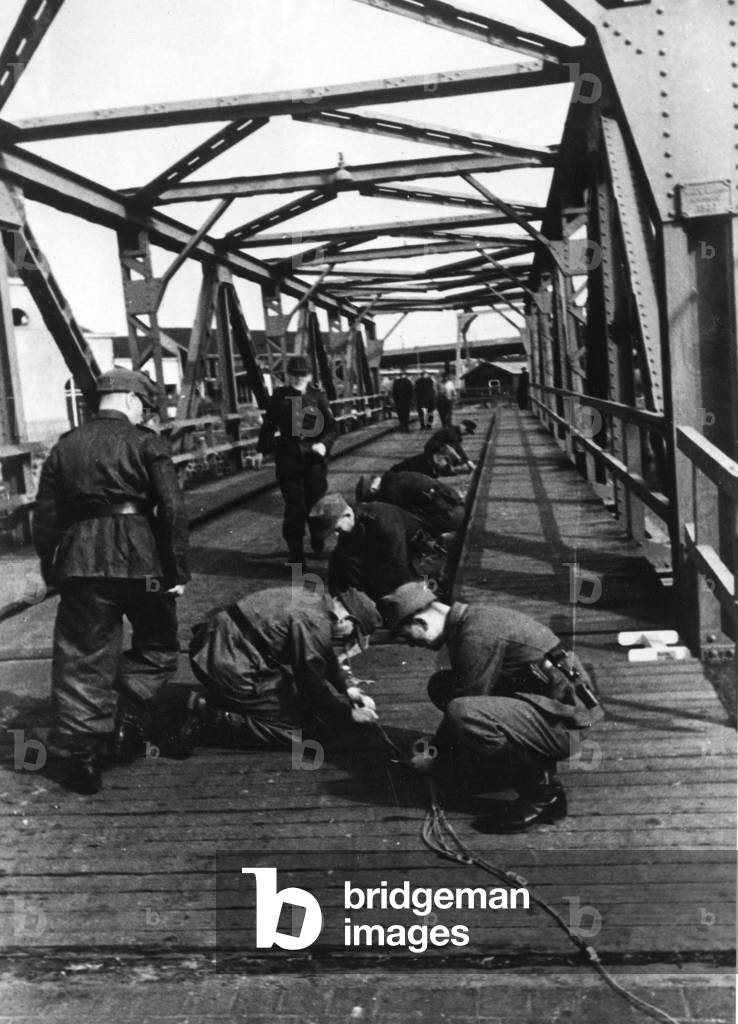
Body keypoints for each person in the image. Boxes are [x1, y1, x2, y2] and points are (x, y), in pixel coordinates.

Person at [32, 367, 191, 794]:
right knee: (159, 644)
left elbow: (45, 519)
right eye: (144, 404)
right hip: (144, 564)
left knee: (83, 657)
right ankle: (124, 710)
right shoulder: (145, 442)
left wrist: (54, 569)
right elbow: (173, 510)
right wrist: (176, 571)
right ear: (131, 400)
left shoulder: (65, 448)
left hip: (82, 564)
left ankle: (83, 757)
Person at [379, 582, 604, 833]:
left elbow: (464, 707)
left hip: (566, 727)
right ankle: (503, 766)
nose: (410, 644)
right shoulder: (471, 619)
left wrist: (434, 757)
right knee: (442, 685)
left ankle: (544, 795)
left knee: (463, 712)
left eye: (407, 635)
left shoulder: (475, 635)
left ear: (420, 621)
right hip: (554, 709)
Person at [189, 586, 381, 748]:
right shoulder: (316, 622)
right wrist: (348, 715)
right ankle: (215, 717)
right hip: (226, 662)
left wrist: (350, 689)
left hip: (210, 645)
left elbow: (322, 653)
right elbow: (310, 683)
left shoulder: (312, 600)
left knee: (292, 700)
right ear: (347, 620)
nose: (346, 639)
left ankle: (225, 700)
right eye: (351, 635)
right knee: (304, 730)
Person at [257, 354, 338, 566]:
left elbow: (332, 427)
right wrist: (260, 450)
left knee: (315, 504)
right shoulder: (279, 396)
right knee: (294, 508)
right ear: (287, 375)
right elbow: (269, 425)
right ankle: (296, 555)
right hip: (289, 459)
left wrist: (324, 444)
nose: (298, 378)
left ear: (310, 376)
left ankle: (317, 534)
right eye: (294, 374)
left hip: (314, 461)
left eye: (303, 375)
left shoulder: (318, 396)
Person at [308, 492, 439, 602]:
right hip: (386, 558)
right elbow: (342, 568)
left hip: (418, 559)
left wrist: (380, 601)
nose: (336, 535)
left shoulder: (383, 521)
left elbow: (397, 567)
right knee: (340, 561)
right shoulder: (351, 525)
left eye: (336, 529)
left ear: (347, 515)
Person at [355, 471, 465, 538]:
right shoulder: (397, 477)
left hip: (451, 517)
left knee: (407, 527)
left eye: (373, 498)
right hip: (456, 507)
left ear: (373, 489)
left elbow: (395, 520)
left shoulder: (390, 489)